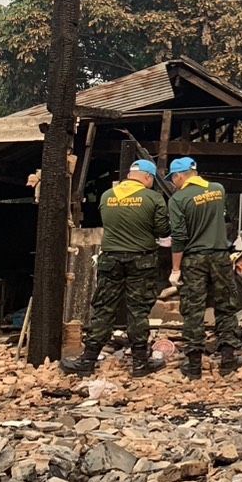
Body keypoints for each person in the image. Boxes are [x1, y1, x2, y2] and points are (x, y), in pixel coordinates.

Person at [63, 158, 169, 378]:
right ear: (147, 177)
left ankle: (87, 361)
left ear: (129, 175)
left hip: (110, 260)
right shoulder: (153, 198)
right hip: (142, 260)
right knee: (138, 311)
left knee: (104, 309)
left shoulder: (107, 196)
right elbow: (162, 230)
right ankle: (139, 364)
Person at [167, 158, 242, 380]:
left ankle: (193, 366)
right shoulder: (218, 190)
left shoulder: (178, 199)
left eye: (173, 178)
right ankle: (228, 360)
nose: (173, 183)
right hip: (220, 256)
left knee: (194, 310)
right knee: (225, 306)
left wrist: (175, 269)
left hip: (193, 259)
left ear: (180, 175)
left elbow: (179, 236)